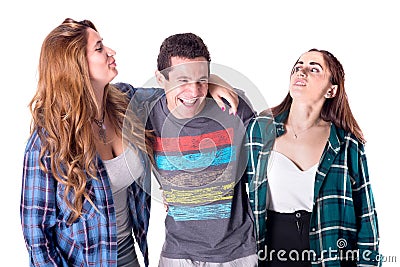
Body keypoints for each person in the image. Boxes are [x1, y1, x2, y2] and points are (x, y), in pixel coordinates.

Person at [20, 19, 238, 267]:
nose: (111, 51)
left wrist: (212, 80)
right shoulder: (48, 140)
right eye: (100, 48)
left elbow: (178, 92)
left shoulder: (127, 102)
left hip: (129, 255)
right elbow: (36, 236)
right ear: (75, 65)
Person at [246, 49, 380, 266]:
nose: (301, 72)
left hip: (330, 254)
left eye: (313, 68)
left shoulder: (347, 143)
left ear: (331, 90)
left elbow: (367, 216)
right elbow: (230, 184)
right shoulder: (260, 130)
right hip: (272, 254)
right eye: (298, 67)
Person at [141, 32, 258, 266]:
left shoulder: (234, 107)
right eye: (182, 80)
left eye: (201, 80)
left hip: (237, 253)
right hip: (177, 254)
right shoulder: (147, 112)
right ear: (161, 79)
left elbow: (261, 170)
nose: (194, 92)